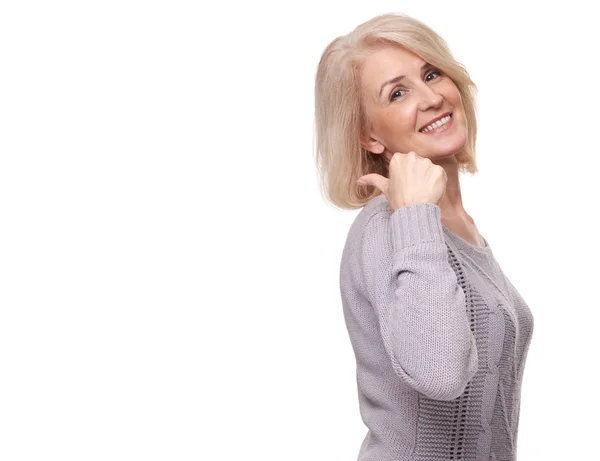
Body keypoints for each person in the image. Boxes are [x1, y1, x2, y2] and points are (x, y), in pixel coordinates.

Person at [313, 13, 535, 461]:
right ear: (368, 134)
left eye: (431, 73)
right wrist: (413, 213)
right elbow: (440, 371)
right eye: (397, 93)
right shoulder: (389, 226)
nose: (432, 97)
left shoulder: (460, 229)